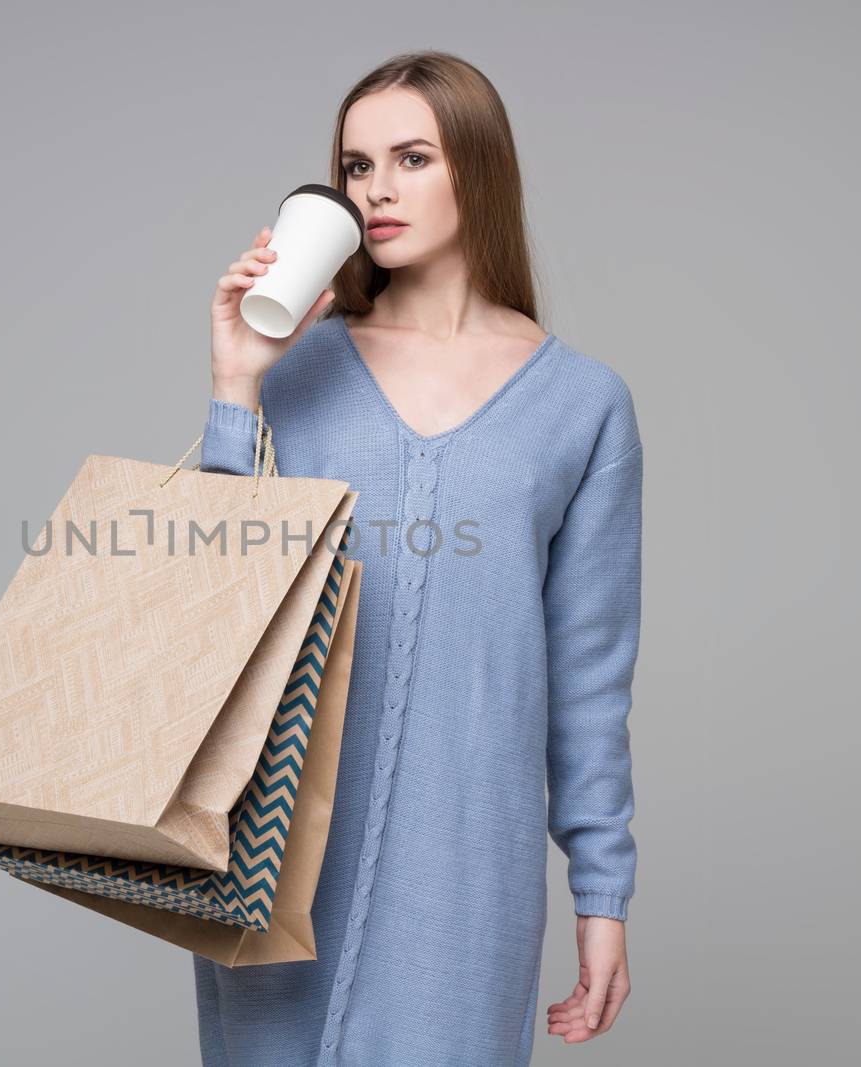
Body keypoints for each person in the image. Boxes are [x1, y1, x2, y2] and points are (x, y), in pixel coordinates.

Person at [192, 51, 641, 1065]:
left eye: (409, 157)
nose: (375, 190)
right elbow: (211, 611)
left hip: (467, 865)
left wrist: (600, 893)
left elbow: (589, 674)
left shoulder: (582, 405)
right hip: (275, 858)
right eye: (355, 166)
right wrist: (234, 388)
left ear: (476, 169)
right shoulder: (297, 371)